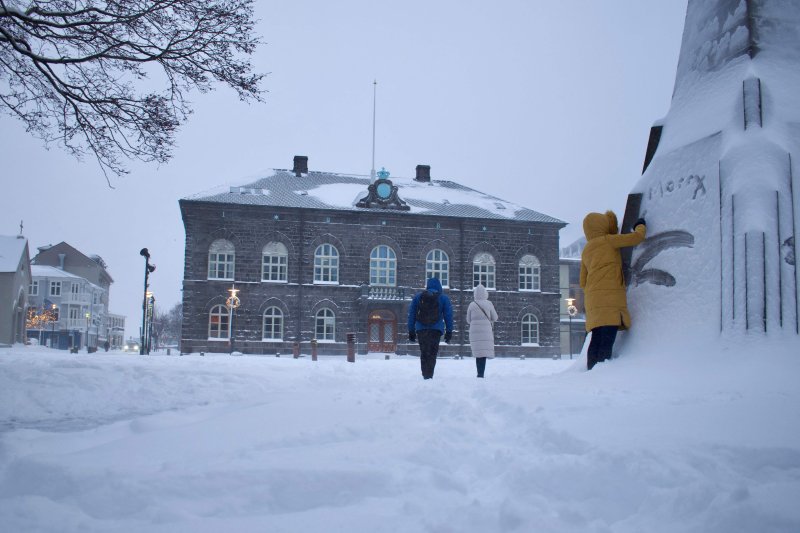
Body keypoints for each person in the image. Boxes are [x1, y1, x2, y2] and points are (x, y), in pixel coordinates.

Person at [580, 211, 646, 370]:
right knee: (608, 337)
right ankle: (602, 371)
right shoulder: (608, 241)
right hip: (610, 299)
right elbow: (636, 238)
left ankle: (591, 370)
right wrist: (640, 226)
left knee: (596, 337)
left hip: (593, 301)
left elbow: (583, 281)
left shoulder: (586, 251)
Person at [407, 277, 454, 379]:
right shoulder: (443, 298)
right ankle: (430, 375)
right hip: (435, 330)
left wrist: (411, 331)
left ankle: (425, 375)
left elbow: (411, 315)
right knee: (432, 353)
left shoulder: (418, 297)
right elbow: (448, 316)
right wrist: (449, 331)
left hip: (421, 329)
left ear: (427, 285)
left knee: (424, 353)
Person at [466, 284, 498, 378]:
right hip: (486, 332)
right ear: (485, 293)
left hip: (474, 332)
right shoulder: (489, 304)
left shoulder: (472, 304)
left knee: (478, 353)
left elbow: (468, 320)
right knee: (483, 353)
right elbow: (495, 318)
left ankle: (479, 373)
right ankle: (481, 374)